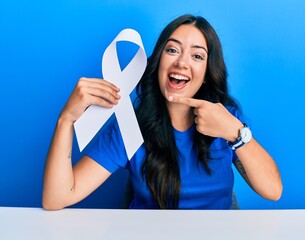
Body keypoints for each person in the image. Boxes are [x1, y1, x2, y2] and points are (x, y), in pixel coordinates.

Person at [42, 14, 282, 210]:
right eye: (172, 50)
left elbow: (273, 191)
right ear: (157, 63)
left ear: (208, 73)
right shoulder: (129, 127)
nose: (181, 63)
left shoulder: (227, 120)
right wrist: (66, 120)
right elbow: (57, 198)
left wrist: (234, 131)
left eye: (197, 55)